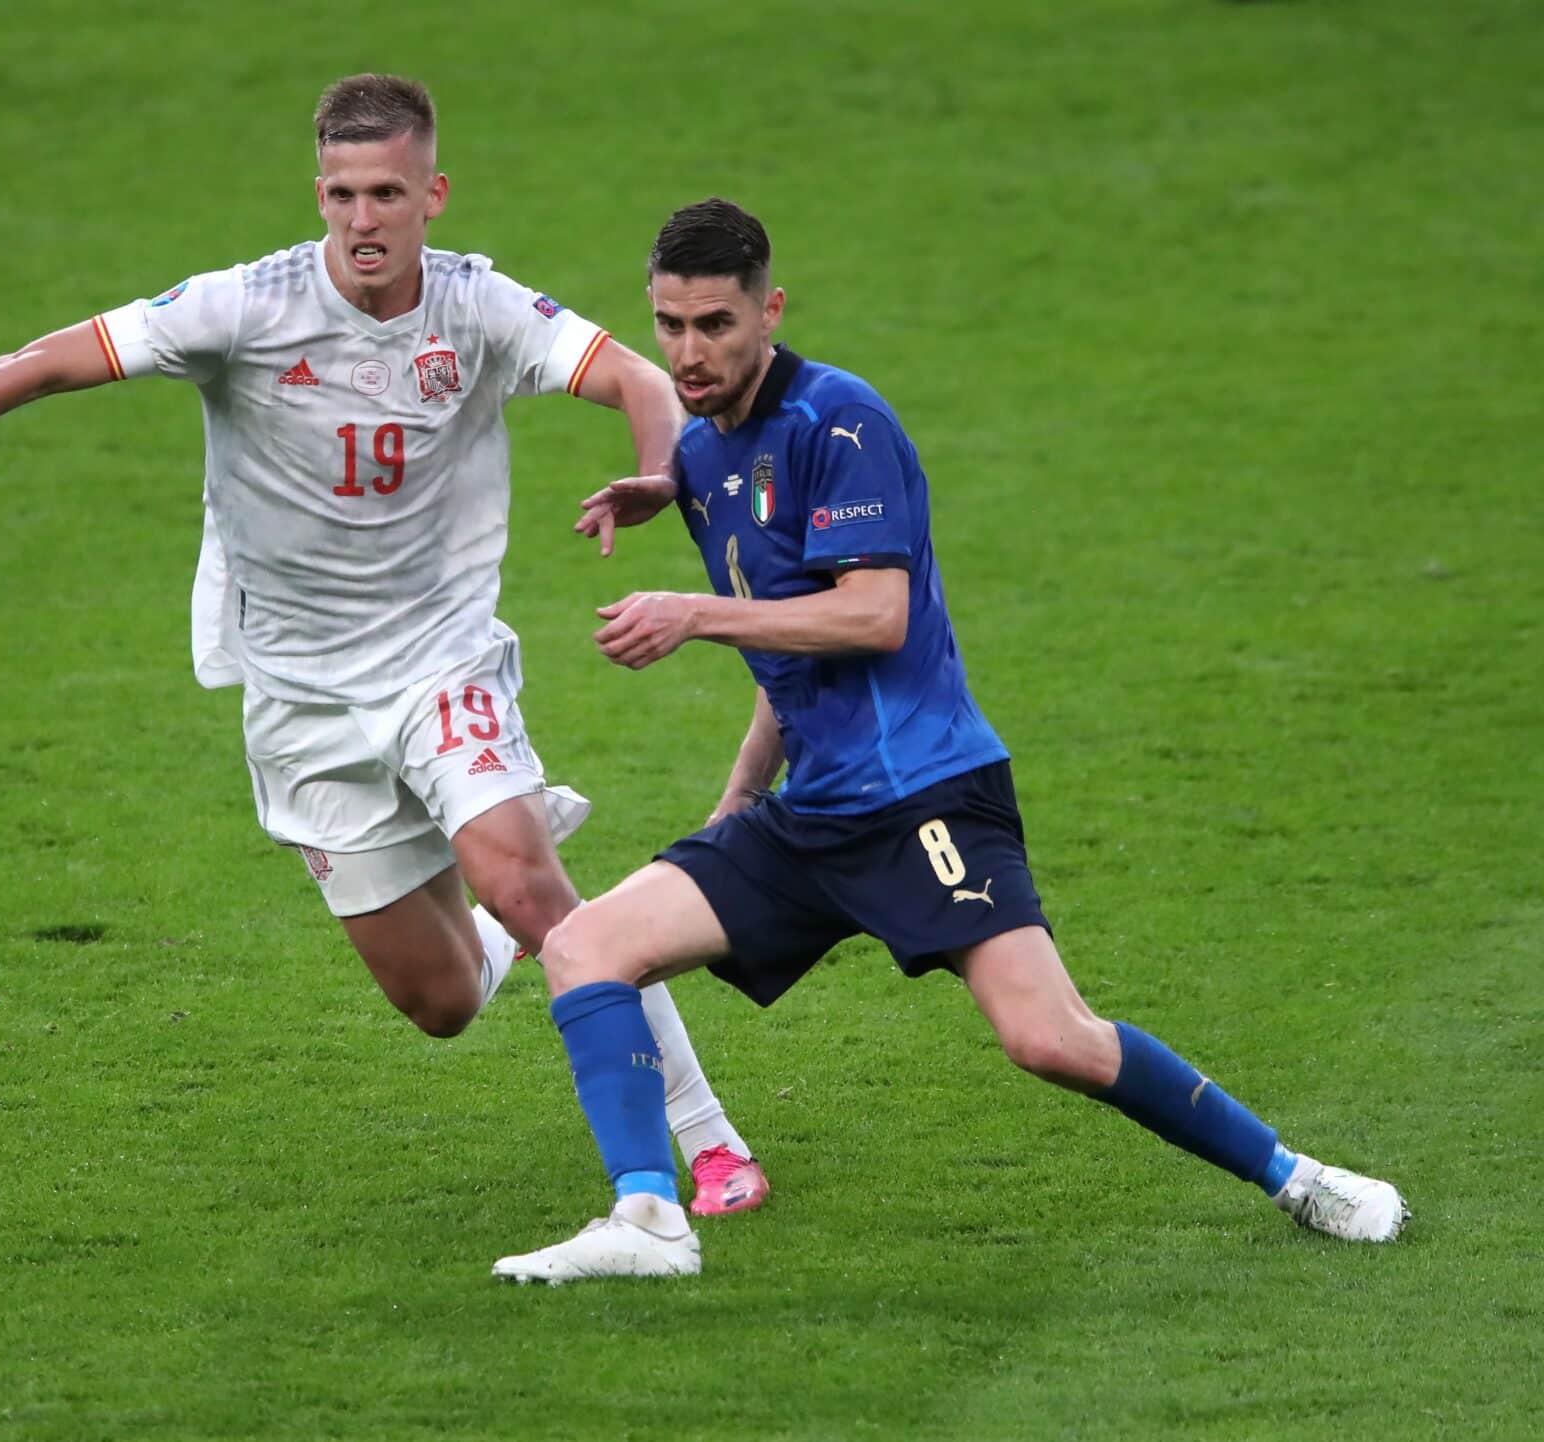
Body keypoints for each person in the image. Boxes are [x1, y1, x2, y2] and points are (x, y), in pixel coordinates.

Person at [0, 78, 768, 1214]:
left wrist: (654, 472)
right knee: (437, 1001)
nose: (362, 219)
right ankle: (503, 899)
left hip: (439, 658)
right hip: (299, 695)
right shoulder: (243, 308)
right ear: (319, 196)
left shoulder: (477, 307)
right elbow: (45, 359)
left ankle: (706, 1143)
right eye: (341, 194)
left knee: (537, 889)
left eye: (387, 192)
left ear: (431, 194)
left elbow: (634, 376)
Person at [492, 198, 1408, 1281]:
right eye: (669, 325)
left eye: (716, 325)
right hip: (813, 811)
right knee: (584, 945)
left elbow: (869, 615)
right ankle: (647, 1216)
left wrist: (691, 612)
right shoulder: (701, 457)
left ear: (768, 311)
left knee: (1046, 1036)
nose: (688, 353)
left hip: (923, 794)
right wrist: (738, 800)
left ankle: (1296, 1175)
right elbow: (789, 663)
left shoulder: (841, 425)